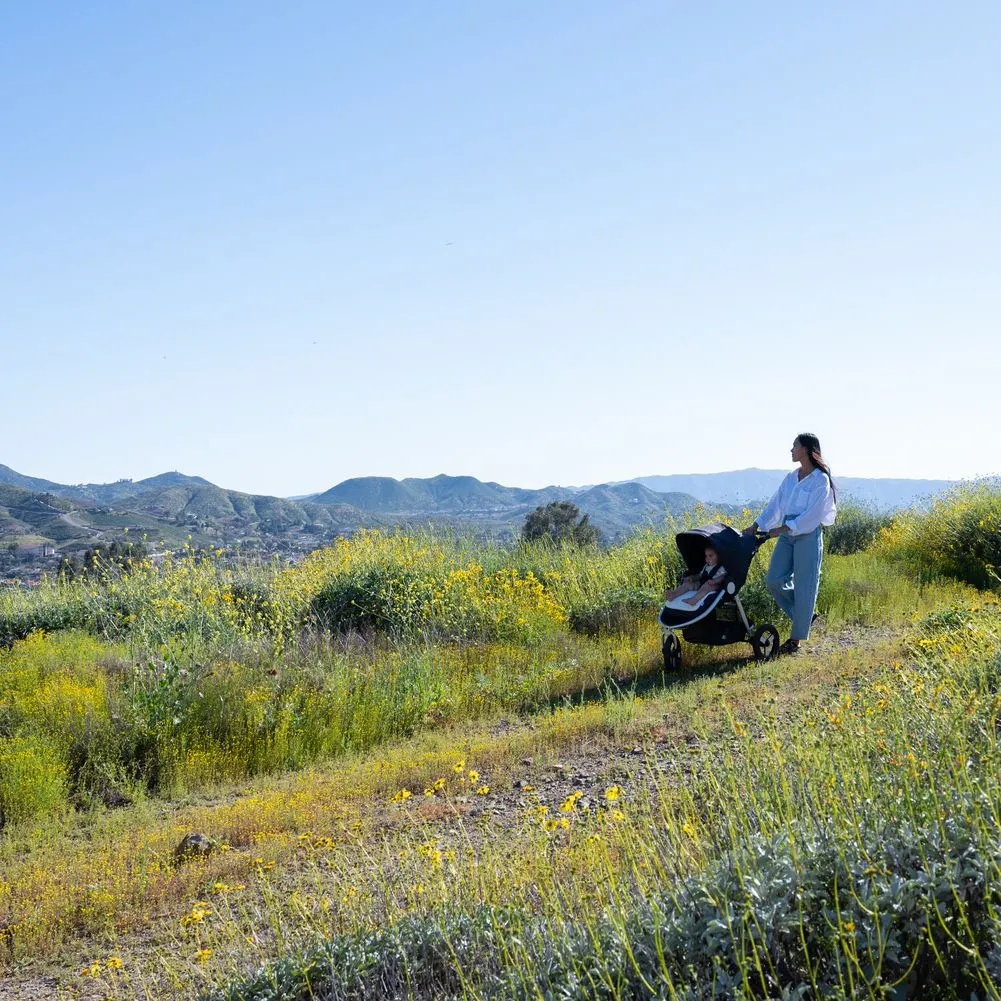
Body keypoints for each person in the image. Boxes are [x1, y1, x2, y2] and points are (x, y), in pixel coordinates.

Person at [743, 433, 837, 654]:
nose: (791, 449)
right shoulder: (791, 478)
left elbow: (812, 515)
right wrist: (756, 525)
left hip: (807, 534)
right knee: (774, 579)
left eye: (794, 445)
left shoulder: (820, 480)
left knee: (806, 585)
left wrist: (781, 529)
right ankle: (805, 615)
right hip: (787, 534)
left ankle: (795, 641)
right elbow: (775, 504)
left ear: (805, 449)